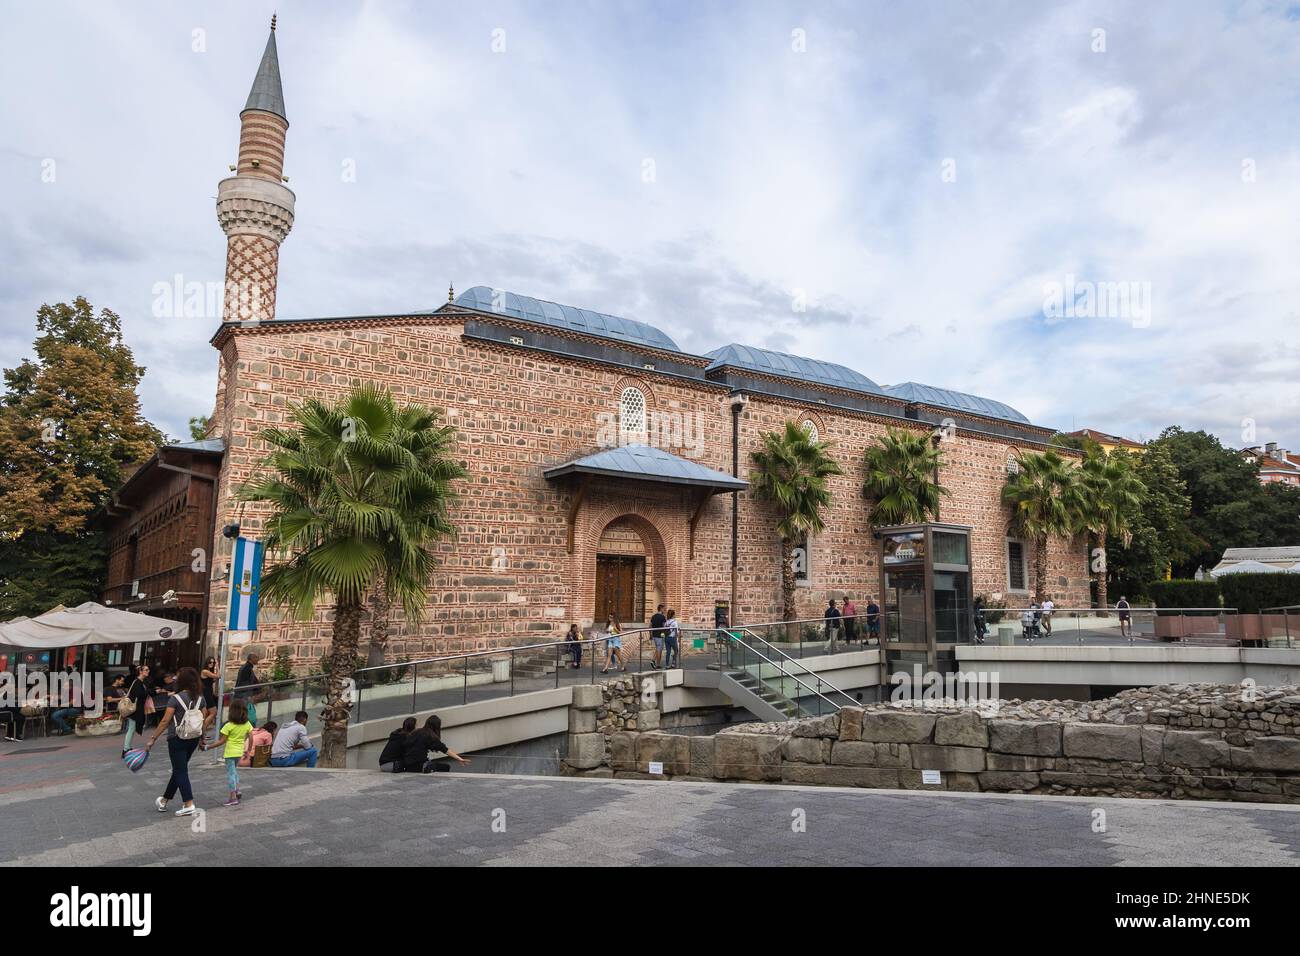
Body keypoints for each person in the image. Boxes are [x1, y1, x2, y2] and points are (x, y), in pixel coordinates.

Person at [145, 666, 211, 817]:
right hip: (193, 738)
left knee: (180, 770)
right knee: (179, 768)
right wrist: (202, 738)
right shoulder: (201, 699)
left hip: (177, 738)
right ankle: (164, 800)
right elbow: (202, 720)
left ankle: (188, 803)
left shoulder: (175, 698)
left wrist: (152, 739)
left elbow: (165, 721)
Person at [212, 700, 254, 807]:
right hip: (239, 752)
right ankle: (237, 789)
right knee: (234, 771)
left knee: (231, 773)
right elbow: (251, 737)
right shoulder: (247, 724)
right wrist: (248, 751)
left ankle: (233, 797)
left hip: (230, 753)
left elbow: (221, 741)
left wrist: (208, 746)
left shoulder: (228, 725)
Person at [400, 714, 470, 774]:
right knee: (446, 767)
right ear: (437, 727)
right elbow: (445, 749)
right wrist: (459, 759)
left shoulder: (416, 732)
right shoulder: (430, 736)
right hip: (419, 766)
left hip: (407, 764)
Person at [121, 663, 152, 754]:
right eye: (146, 670)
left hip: (136, 709)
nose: (148, 671)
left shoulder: (140, 682)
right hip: (134, 709)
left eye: (148, 670)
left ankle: (127, 747)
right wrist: (151, 691)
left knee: (132, 728)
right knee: (131, 728)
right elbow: (139, 694)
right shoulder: (137, 682)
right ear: (140, 671)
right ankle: (126, 749)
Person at [50, 669, 83, 735]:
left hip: (76, 709)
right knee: (55, 712)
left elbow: (72, 703)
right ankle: (61, 727)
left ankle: (67, 729)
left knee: (55, 715)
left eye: (65, 686)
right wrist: (50, 696)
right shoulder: (68, 691)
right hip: (70, 708)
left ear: (69, 686)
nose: (63, 687)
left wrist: (61, 705)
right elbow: (61, 696)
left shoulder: (76, 690)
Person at [233, 653, 261, 727]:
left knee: (243, 713)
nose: (257, 659)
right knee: (243, 714)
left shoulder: (247, 668)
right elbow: (245, 683)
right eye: (256, 658)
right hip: (243, 695)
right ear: (251, 659)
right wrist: (249, 695)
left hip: (242, 695)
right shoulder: (246, 668)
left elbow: (254, 681)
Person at [200, 657, 220, 733]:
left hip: (209, 693)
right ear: (206, 663)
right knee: (213, 712)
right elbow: (218, 676)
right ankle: (202, 732)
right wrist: (218, 666)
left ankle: (202, 733)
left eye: (213, 663)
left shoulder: (208, 672)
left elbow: (213, 680)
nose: (211, 664)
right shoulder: (205, 671)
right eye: (210, 662)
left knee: (207, 714)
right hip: (206, 694)